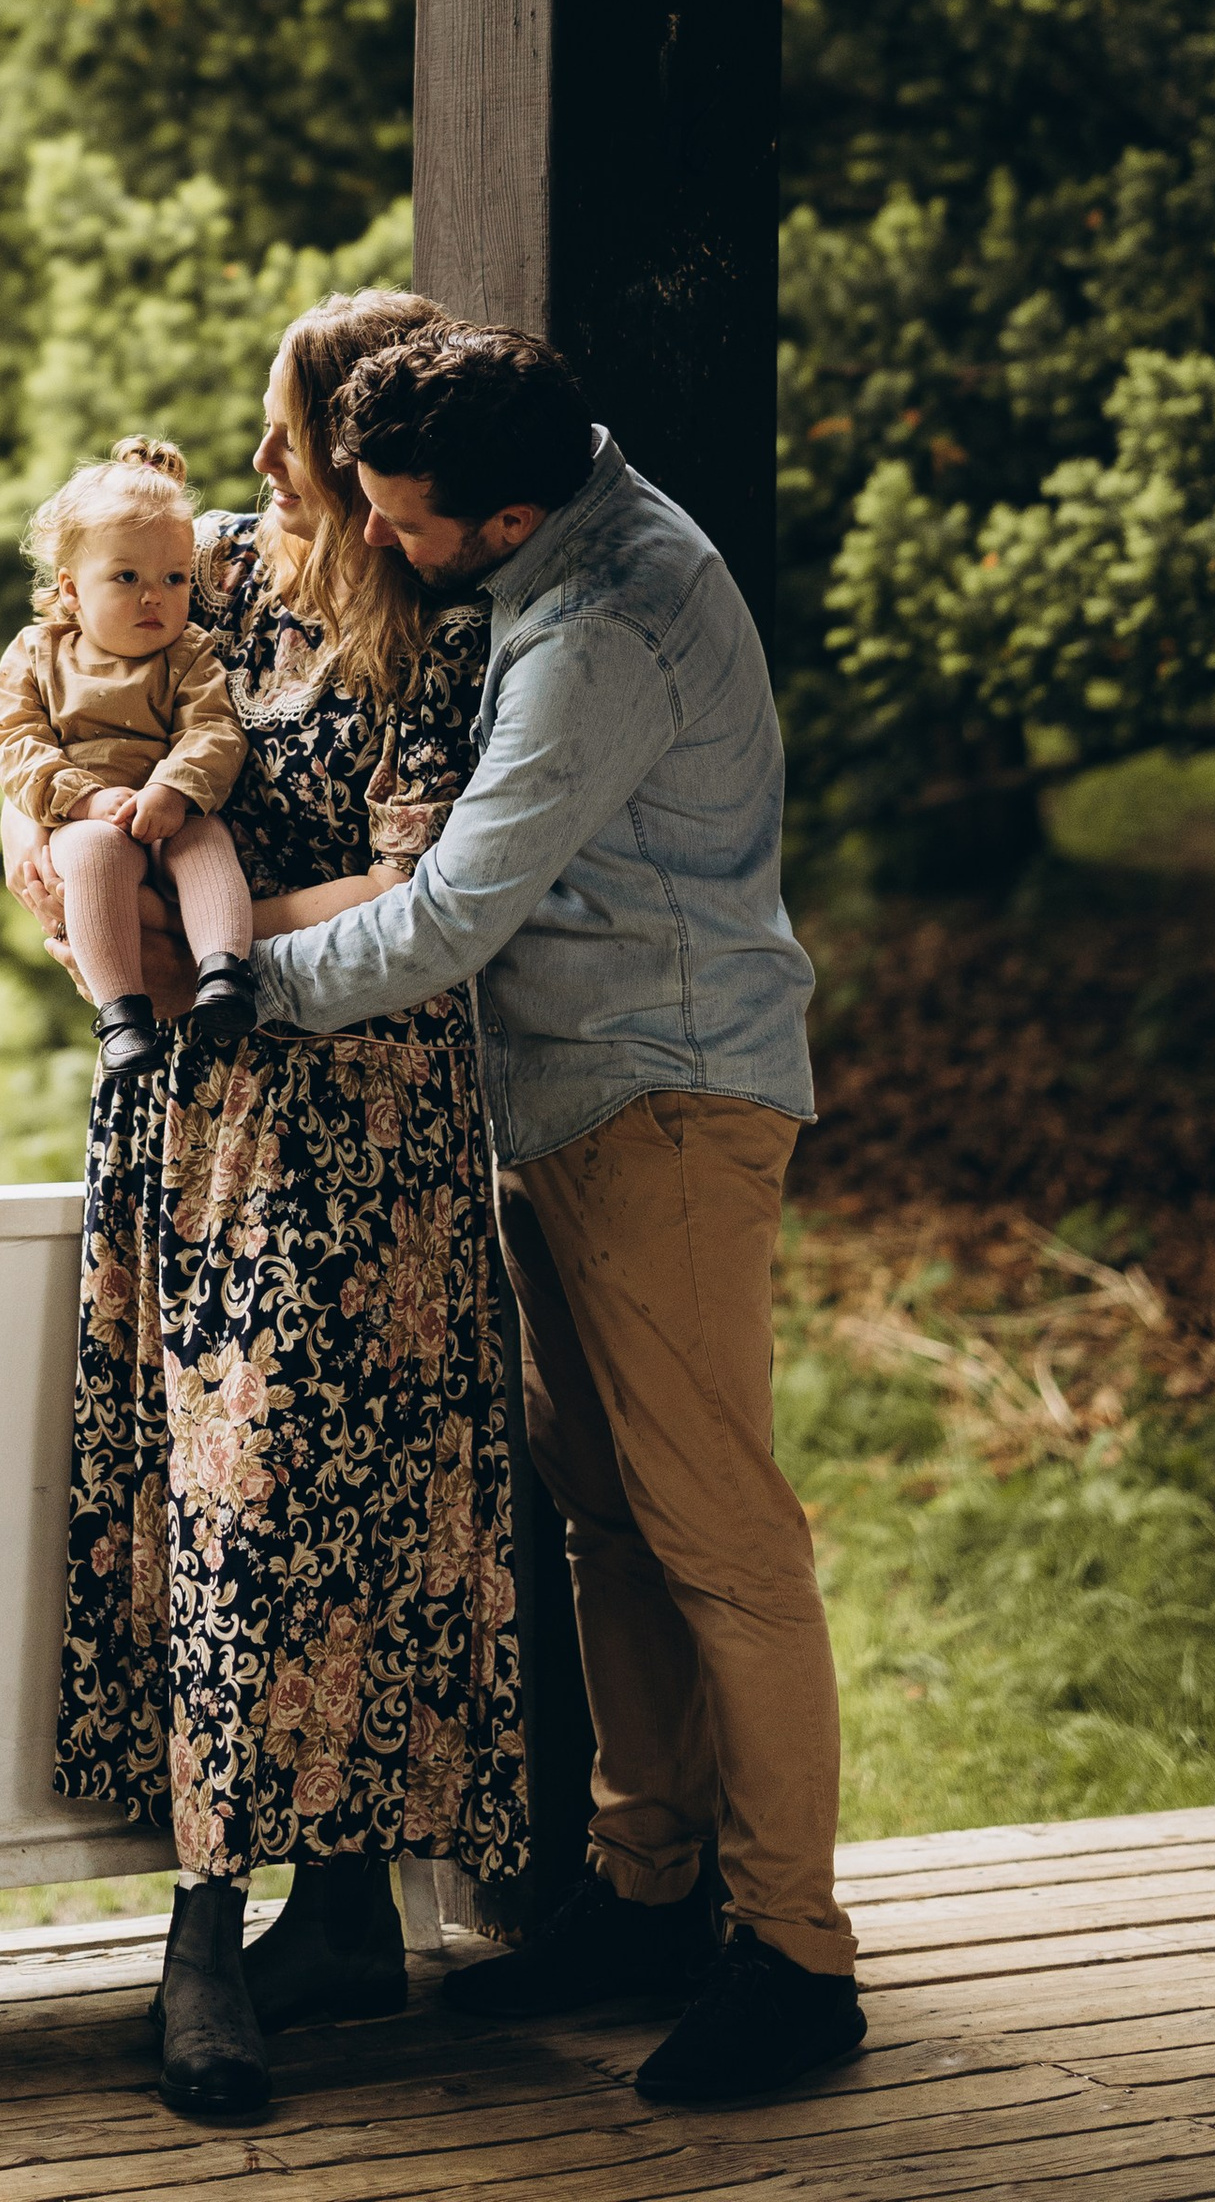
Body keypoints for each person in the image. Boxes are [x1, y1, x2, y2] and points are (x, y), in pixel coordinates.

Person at [245, 318, 864, 2109]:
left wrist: (240, 989)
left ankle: (796, 1959)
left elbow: (446, 920)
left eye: (402, 522)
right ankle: (647, 1894)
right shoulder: (543, 538)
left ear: (505, 520)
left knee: (721, 1539)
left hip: (665, 1104)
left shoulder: (605, 626)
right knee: (607, 1521)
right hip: (576, 1096)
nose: (376, 544)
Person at [7, 290, 527, 2125]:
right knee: (211, 1497)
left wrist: (174, 927)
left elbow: (423, 890)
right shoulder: (207, 577)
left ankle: (343, 1909)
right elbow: (40, 690)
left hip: (371, 1122)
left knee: (360, 1495)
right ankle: (206, 1923)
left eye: (278, 434)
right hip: (197, 1111)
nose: (247, 465)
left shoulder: (437, 644)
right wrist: (63, 855)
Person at [0, 437, 255, 1075]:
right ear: (72, 590)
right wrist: (81, 797)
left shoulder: (190, 654)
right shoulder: (37, 654)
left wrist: (175, 791)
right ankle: (121, 1011)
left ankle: (223, 974)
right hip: (87, 817)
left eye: (174, 578)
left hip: (165, 808)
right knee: (92, 856)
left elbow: (215, 729)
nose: (154, 596)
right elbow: (13, 740)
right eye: (126, 578)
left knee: (206, 842)